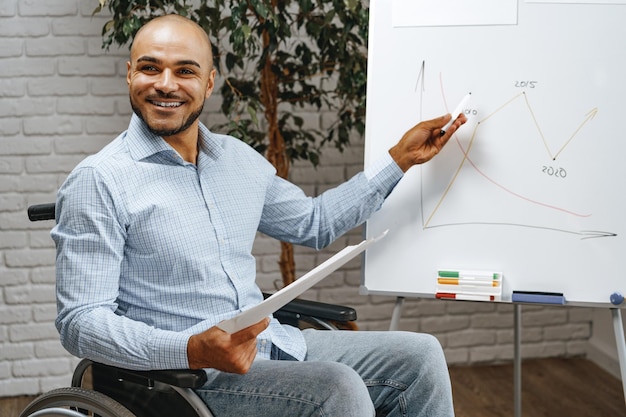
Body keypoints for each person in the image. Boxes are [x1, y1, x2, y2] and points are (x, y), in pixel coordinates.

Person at [51, 14, 467, 417]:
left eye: (185, 71)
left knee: (420, 357)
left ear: (209, 82)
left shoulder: (237, 160)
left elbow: (315, 222)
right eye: (150, 68)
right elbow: (81, 323)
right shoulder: (99, 180)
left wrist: (399, 159)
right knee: (335, 390)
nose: (165, 84)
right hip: (183, 379)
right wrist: (192, 347)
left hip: (272, 343)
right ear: (129, 74)